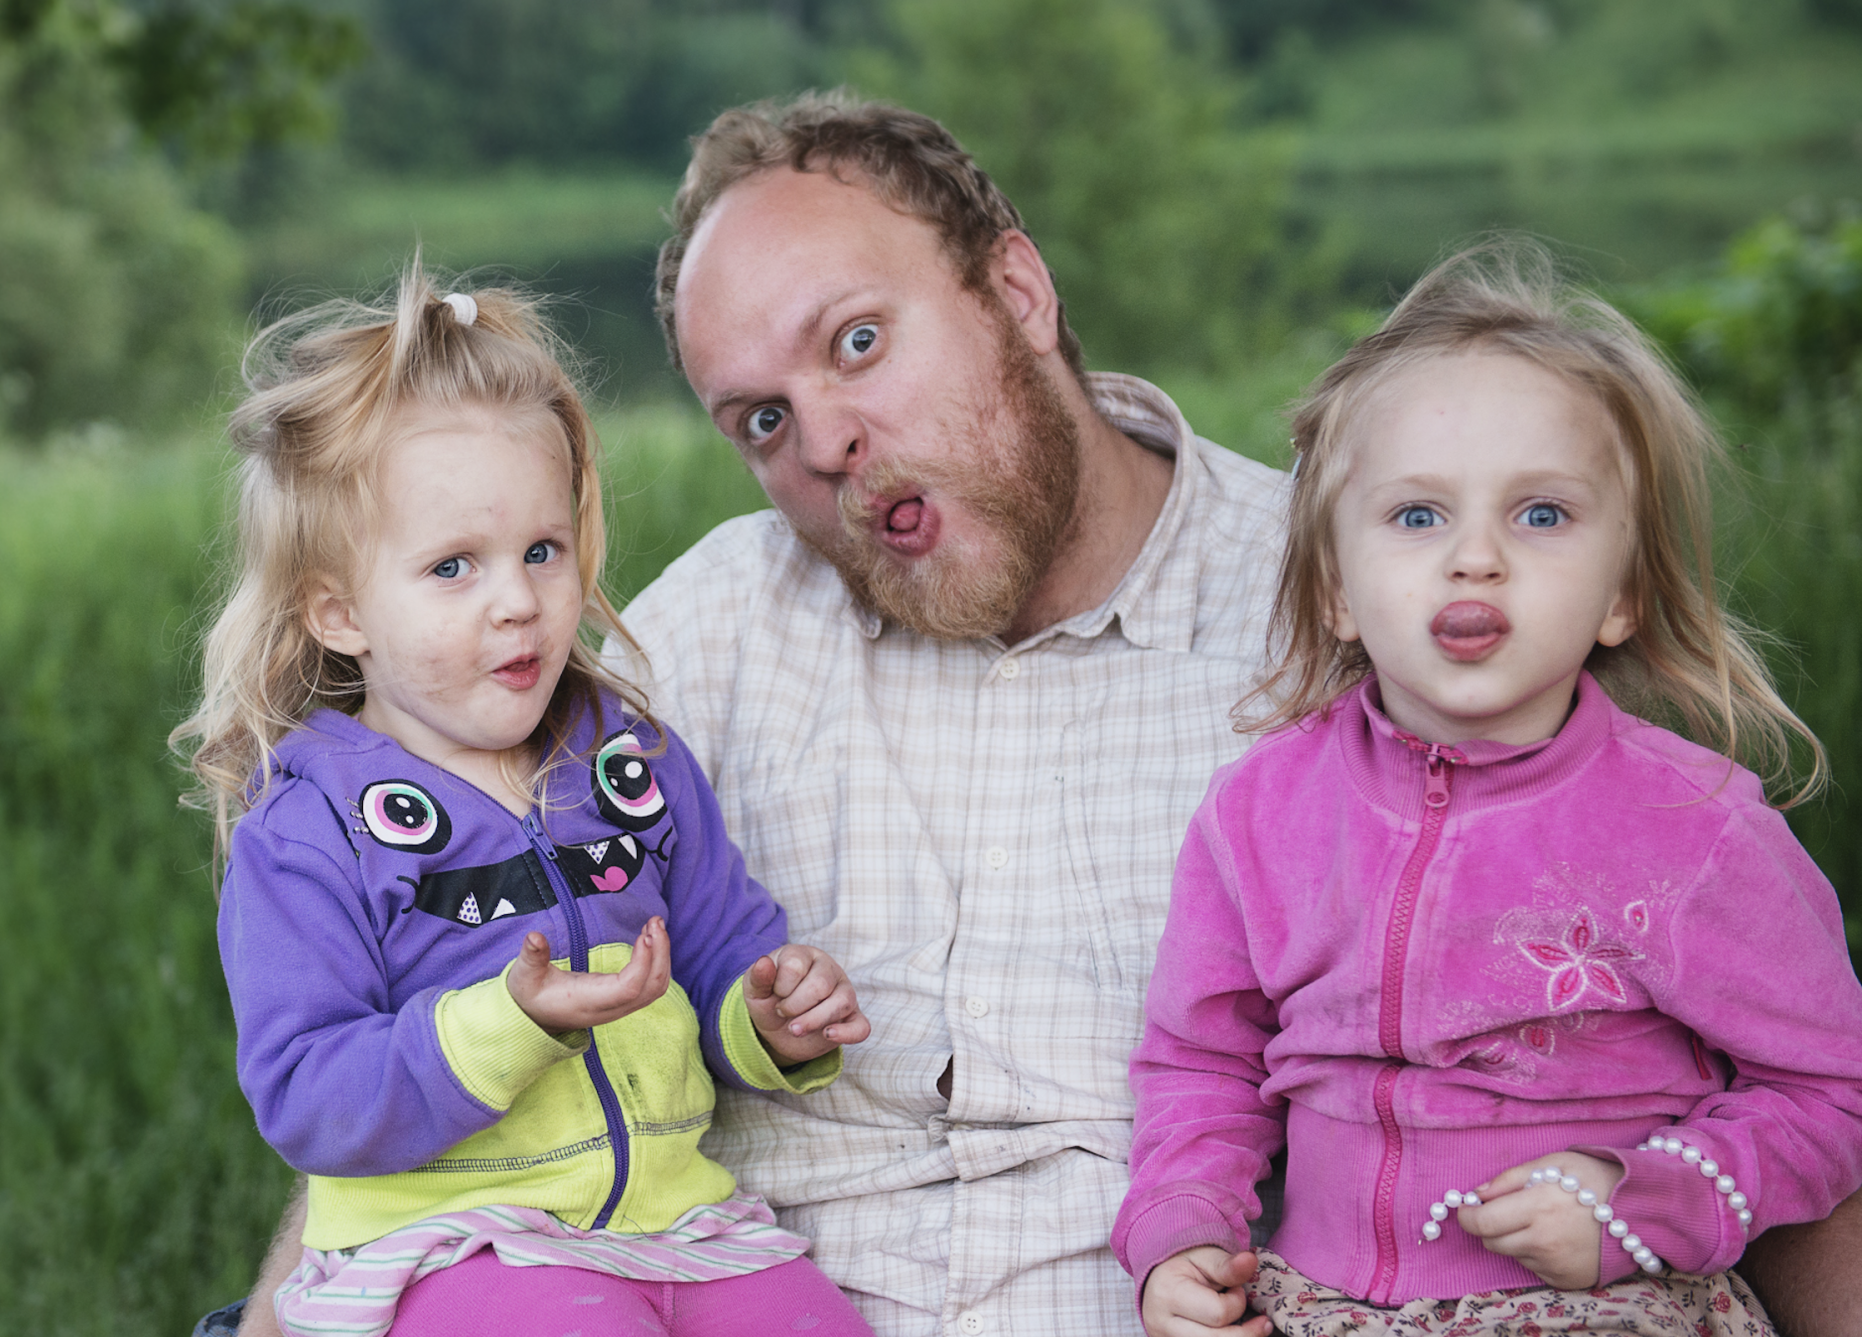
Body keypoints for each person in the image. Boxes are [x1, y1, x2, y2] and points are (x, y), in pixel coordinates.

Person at [199, 92, 1862, 1337]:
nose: (826, 442)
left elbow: (1692, 1010)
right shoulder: (680, 636)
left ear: (1019, 288)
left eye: (861, 343)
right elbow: (422, 997)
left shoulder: (1357, 606)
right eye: (762, 415)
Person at [1117, 243, 1862, 1337]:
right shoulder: (1258, 815)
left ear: (1621, 594)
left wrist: (1642, 1203)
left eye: (1542, 515)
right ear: (1334, 588)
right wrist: (1177, 1233)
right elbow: (1199, 1061)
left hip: (1614, 1304)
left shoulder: (1691, 827)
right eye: (1417, 516)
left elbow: (1831, 1087)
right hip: (1319, 1304)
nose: (1475, 557)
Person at [173, 269, 877, 1337]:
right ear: (340, 611)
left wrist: (767, 1013)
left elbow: (725, 944)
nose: (518, 599)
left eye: (541, 550)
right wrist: (508, 1022)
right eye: (454, 566)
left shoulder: (628, 762)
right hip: (457, 1241)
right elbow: (308, 1088)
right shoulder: (312, 826)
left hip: (674, 1220)